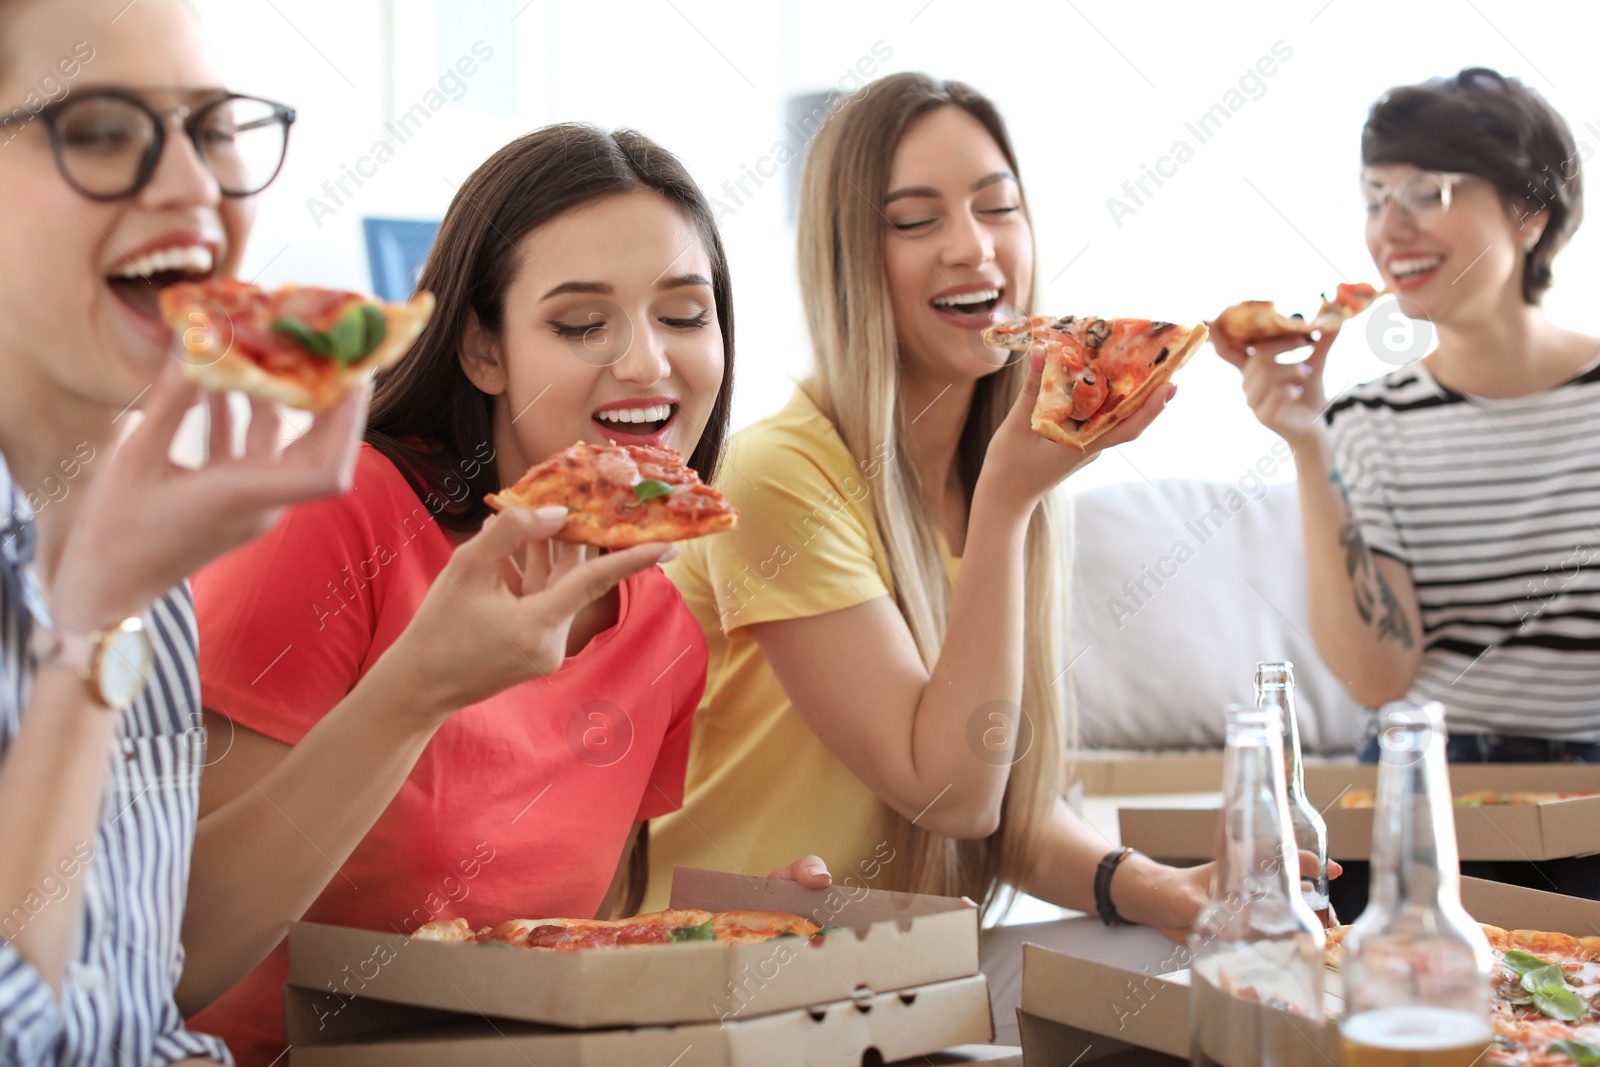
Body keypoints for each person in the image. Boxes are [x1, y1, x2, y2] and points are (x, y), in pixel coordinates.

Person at [184, 123, 829, 1066]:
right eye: (581, 324)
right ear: (482, 351)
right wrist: (421, 688)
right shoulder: (339, 517)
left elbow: (536, 959)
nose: (647, 362)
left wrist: (702, 944)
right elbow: (170, 940)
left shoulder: (666, 628)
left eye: (685, 315)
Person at [646, 71, 1218, 941]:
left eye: (999, 208)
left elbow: (1001, 799)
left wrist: (1162, 889)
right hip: (708, 974)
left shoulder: (997, 470)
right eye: (916, 220)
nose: (974, 249)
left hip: (887, 966)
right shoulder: (775, 474)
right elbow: (951, 791)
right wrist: (1006, 505)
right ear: (847, 258)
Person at [0, 0, 368, 1062]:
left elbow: (132, 998)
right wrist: (88, 632)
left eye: (212, 132)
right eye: (104, 129)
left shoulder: (150, 560)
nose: (193, 189)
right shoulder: (130, 579)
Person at [1214, 67, 1600, 904]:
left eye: (1426, 193)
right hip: (1416, 791)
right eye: (1374, 198)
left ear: (1530, 214)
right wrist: (1311, 446)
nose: (1390, 229)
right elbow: (1379, 678)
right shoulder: (1366, 421)